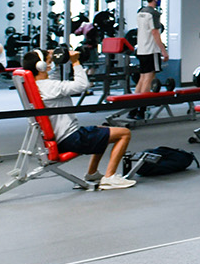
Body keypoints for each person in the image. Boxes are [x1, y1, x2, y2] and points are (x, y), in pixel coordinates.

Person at [22, 48, 135, 189]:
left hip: (61, 137)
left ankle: (92, 173)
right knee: (124, 133)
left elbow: (52, 79)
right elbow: (82, 85)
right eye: (49, 62)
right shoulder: (50, 87)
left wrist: (55, 60)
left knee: (103, 131)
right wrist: (75, 62)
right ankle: (110, 177)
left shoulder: (38, 85)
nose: (51, 65)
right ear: (41, 66)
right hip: (71, 139)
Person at [132, 0, 167, 119]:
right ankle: (141, 110)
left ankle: (134, 108)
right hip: (151, 50)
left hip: (141, 50)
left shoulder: (140, 12)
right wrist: (163, 50)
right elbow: (155, 33)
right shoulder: (154, 14)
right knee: (148, 78)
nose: (160, 0)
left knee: (142, 78)